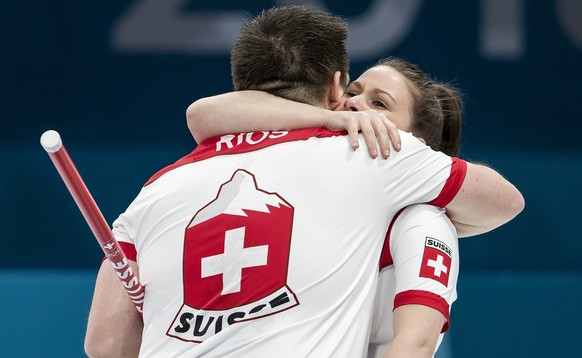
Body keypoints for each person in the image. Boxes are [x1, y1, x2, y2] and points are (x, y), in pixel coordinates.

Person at [85, 6, 524, 358]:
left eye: (379, 104)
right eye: (353, 94)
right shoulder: (370, 160)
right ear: (336, 87)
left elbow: (105, 346)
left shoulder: (154, 189)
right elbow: (503, 202)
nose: (358, 112)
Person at [183, 57, 474, 358]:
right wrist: (324, 119)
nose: (353, 105)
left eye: (379, 103)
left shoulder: (422, 221)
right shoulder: (325, 201)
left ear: (415, 145)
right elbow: (205, 112)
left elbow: (416, 346)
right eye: (352, 92)